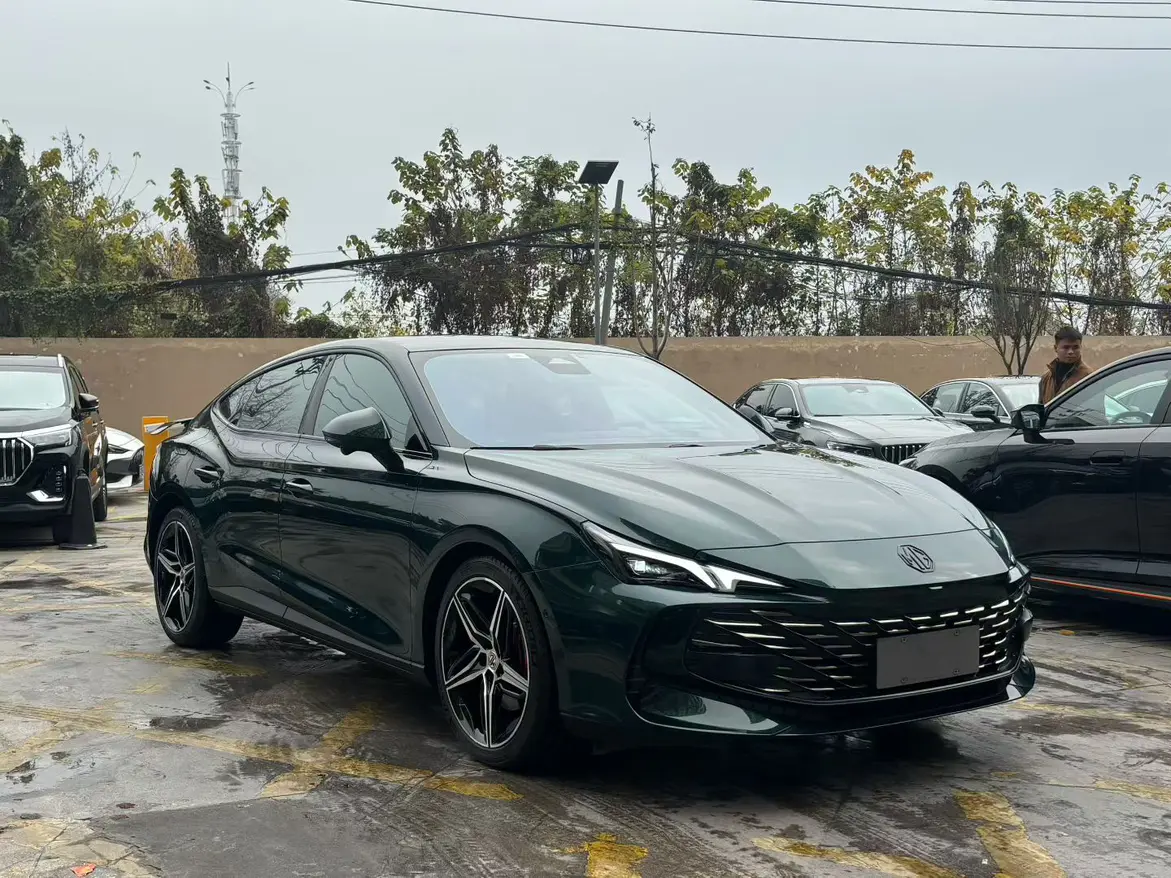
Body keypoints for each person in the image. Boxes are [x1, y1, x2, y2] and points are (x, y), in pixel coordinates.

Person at [1039, 325, 1092, 404]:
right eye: (1066, 347)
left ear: (1080, 347)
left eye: (1075, 347)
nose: (1071, 352)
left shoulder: (1089, 377)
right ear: (1055, 348)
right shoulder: (1046, 378)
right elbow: (1041, 407)